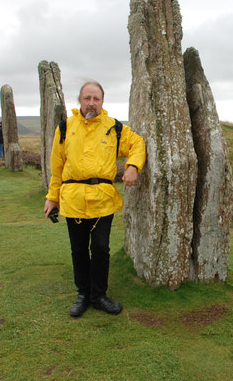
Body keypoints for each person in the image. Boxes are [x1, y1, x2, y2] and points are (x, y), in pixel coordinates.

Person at [44, 80, 146, 317]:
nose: (91, 103)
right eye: (87, 98)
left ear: (102, 101)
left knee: (100, 249)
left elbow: (137, 143)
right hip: (73, 198)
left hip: (102, 199)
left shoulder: (114, 128)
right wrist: (52, 198)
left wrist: (133, 166)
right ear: (79, 100)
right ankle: (83, 294)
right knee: (78, 249)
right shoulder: (65, 127)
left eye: (96, 99)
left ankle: (99, 296)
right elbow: (56, 167)